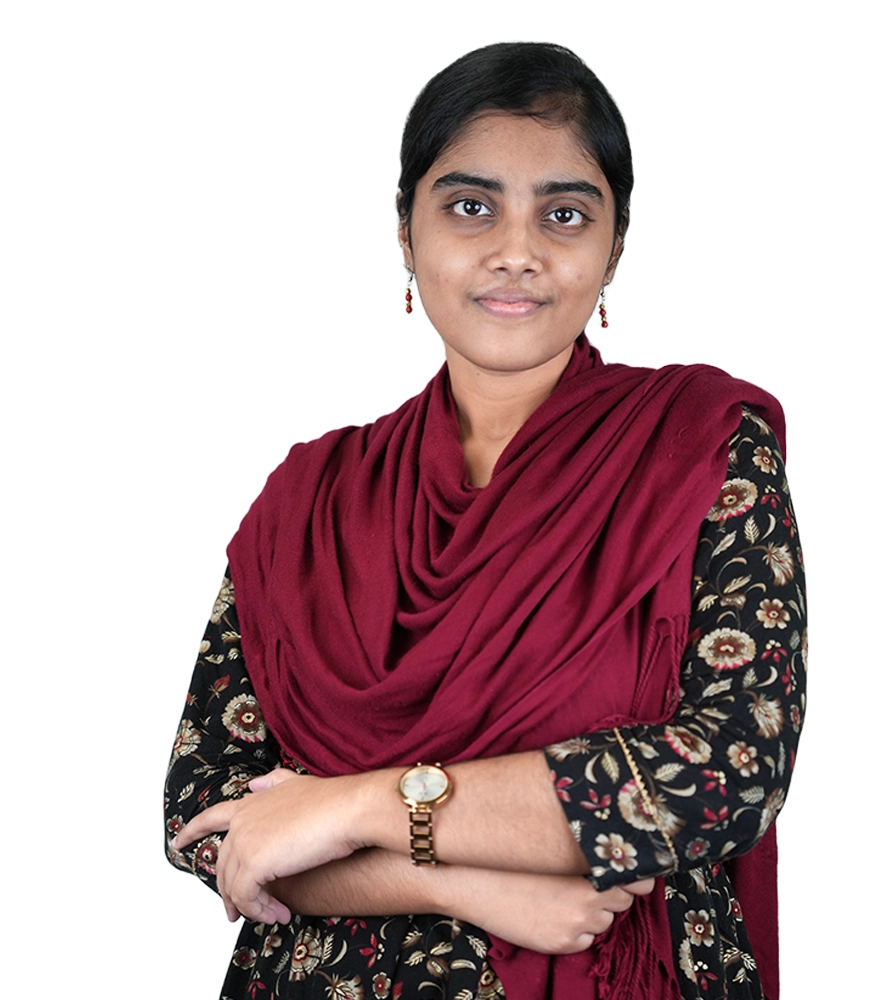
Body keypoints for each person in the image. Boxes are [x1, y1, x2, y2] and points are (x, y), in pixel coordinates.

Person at [165, 41, 805, 1000]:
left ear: (614, 247)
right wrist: (461, 884)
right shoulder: (309, 501)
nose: (517, 250)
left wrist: (359, 805)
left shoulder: (696, 450)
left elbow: (727, 772)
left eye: (564, 213)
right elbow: (208, 815)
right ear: (405, 233)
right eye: (470, 206)